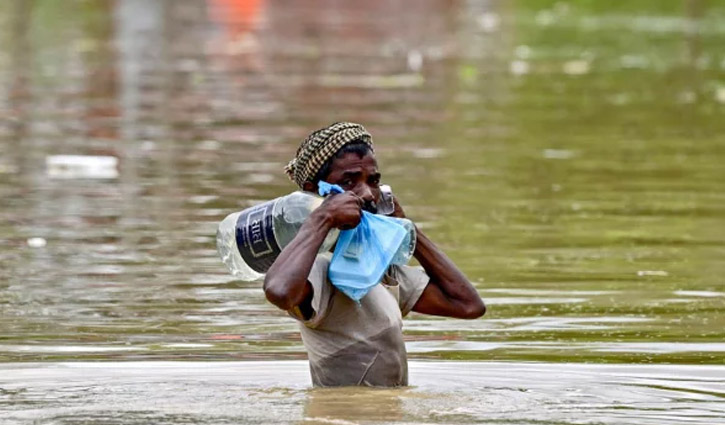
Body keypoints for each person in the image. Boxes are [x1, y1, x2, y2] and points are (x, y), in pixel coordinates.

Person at [264, 122, 485, 387]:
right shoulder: (318, 269)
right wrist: (322, 217)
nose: (367, 193)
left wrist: (408, 229)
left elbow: (468, 305)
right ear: (315, 190)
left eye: (373, 181)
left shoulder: (376, 265)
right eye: (349, 182)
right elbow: (279, 291)